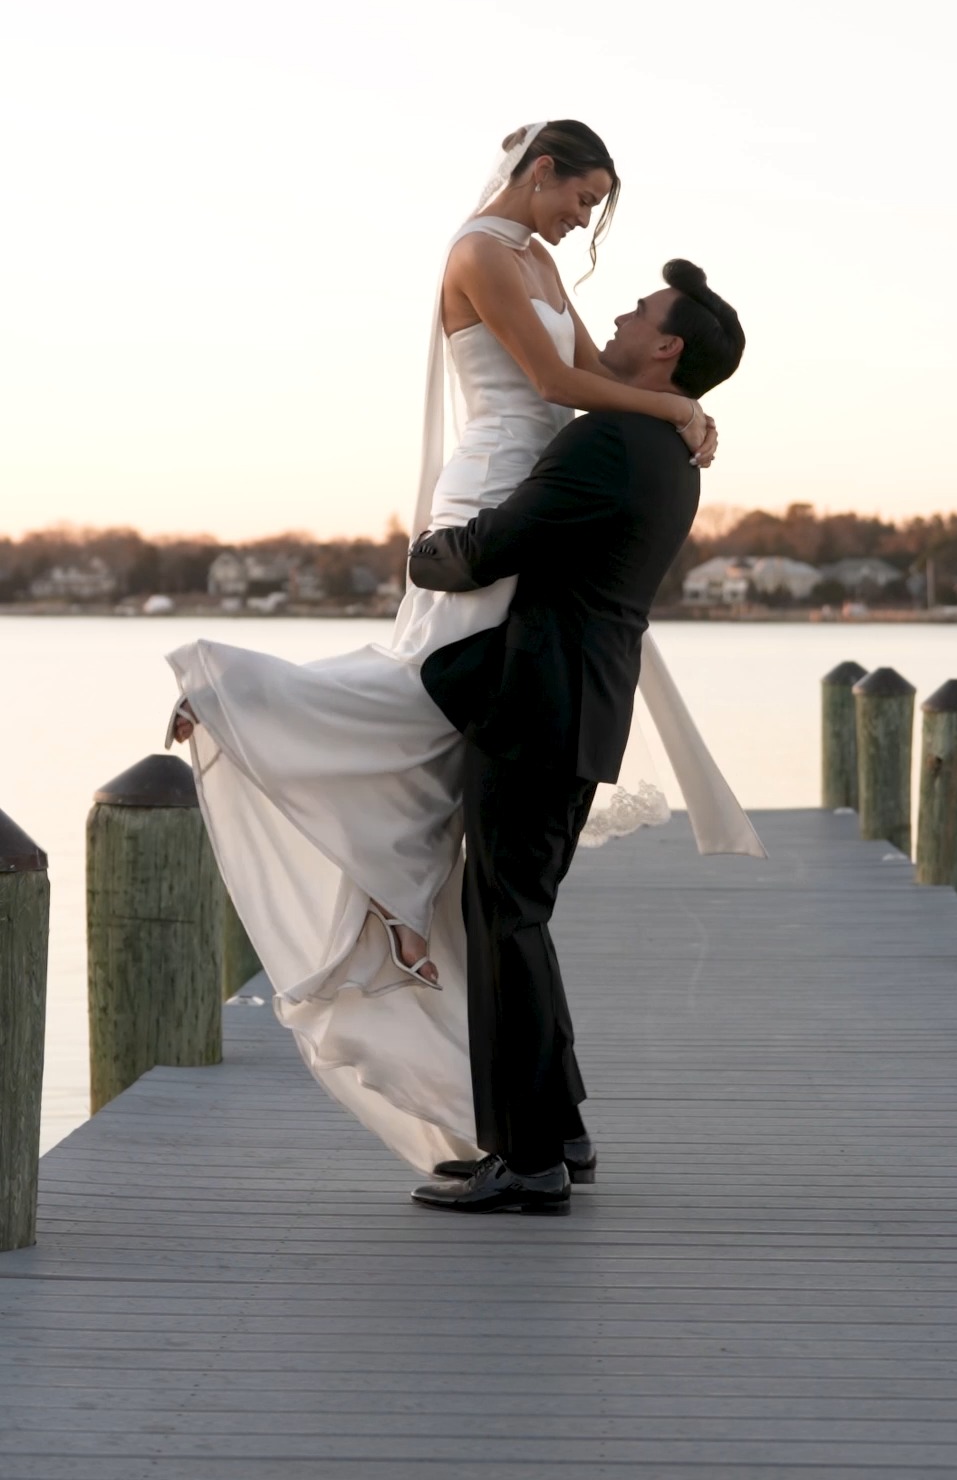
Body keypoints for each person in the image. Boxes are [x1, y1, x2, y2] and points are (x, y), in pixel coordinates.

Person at [166, 121, 763, 1176]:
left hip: (536, 525)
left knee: (457, 741)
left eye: (595, 209)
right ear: (541, 174)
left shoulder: (538, 273)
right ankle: (259, 723)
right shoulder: (484, 252)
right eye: (583, 199)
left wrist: (669, 408)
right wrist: (674, 405)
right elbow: (552, 377)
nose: (586, 225)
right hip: (498, 488)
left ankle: (515, 1104)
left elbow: (582, 368)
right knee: (429, 697)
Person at [408, 260, 745, 1214]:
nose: (625, 313)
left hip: (539, 708)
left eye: (642, 311)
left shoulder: (613, 444)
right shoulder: (664, 449)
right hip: (575, 707)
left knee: (503, 919)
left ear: (667, 348)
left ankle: (528, 1162)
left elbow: (494, 544)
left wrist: (416, 557)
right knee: (518, 916)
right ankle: (556, 1133)